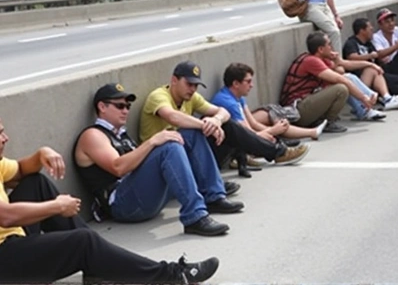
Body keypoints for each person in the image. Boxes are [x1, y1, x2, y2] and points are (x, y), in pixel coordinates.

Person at [0, 119, 219, 284]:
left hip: (12, 240)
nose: (5, 138)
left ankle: (96, 265)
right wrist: (56, 206)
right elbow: (6, 216)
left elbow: (20, 170)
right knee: (83, 241)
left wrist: (41, 154)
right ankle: (172, 276)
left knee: (36, 181)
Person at [74, 83, 238, 237]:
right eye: (120, 106)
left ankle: (213, 196)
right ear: (102, 107)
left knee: (190, 134)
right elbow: (118, 167)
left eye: (128, 106)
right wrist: (153, 141)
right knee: (169, 147)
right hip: (123, 205)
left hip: (141, 194)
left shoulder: (121, 135)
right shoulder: (93, 135)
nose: (125, 111)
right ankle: (194, 217)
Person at [139, 61, 309, 172]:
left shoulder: (191, 97)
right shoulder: (159, 96)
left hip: (184, 154)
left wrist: (216, 120)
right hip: (159, 159)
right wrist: (205, 124)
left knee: (226, 124)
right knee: (197, 131)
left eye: (196, 85)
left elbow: (224, 112)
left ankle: (276, 153)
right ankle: (276, 152)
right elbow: (173, 117)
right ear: (174, 80)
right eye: (188, 84)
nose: (192, 89)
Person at [280, 31, 384, 134]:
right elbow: (340, 79)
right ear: (320, 49)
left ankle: (368, 104)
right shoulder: (311, 61)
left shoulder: (320, 58)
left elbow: (344, 66)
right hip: (298, 111)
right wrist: (363, 98)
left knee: (347, 77)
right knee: (341, 88)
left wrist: (370, 65)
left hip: (306, 104)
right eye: (329, 44)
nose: (331, 47)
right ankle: (328, 122)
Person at [212, 63, 327, 142]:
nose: (251, 85)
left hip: (241, 133)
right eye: (248, 82)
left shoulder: (237, 96)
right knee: (270, 134)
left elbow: (254, 124)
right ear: (236, 84)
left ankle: (310, 132)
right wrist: (273, 131)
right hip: (232, 142)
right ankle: (282, 151)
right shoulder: (229, 103)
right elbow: (248, 134)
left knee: (270, 116)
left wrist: (275, 131)